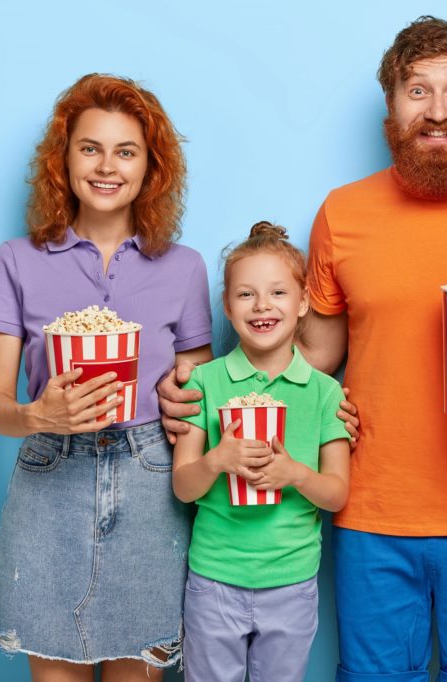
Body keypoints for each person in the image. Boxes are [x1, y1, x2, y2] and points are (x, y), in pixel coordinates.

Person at [161, 16, 447, 682]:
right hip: (369, 514)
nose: (437, 111)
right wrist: (202, 387)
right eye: (417, 91)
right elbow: (308, 354)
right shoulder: (344, 214)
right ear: (391, 106)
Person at [0, 74, 212, 681]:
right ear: (64, 160)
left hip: (150, 482)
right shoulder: (15, 261)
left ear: (149, 168)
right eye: (90, 148)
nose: (107, 166)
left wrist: (183, 396)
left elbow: (201, 396)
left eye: (126, 151)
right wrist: (36, 416)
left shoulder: (184, 269)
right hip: (50, 478)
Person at [172, 222, 351, 682]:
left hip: (291, 582)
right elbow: (184, 488)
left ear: (304, 302)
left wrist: (294, 473)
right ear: (228, 308)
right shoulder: (204, 383)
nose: (263, 306)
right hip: (214, 579)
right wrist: (217, 459)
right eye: (246, 295)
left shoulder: (325, 393)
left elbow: (336, 494)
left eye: (278, 292)